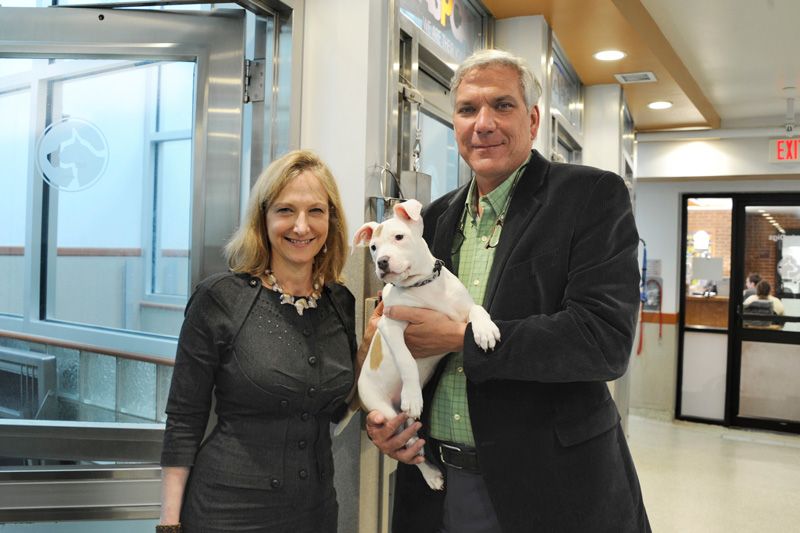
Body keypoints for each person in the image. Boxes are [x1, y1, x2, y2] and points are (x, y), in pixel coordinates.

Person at [365, 49, 651, 532]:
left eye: (502, 105)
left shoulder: (589, 197)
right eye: (467, 109)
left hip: (551, 489)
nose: (483, 123)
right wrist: (388, 421)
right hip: (441, 487)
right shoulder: (432, 220)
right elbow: (401, 334)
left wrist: (458, 339)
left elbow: (603, 340)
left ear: (533, 118)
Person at [159, 150, 357, 533]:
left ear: (331, 220)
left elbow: (333, 410)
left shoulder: (340, 303)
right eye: (286, 210)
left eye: (315, 211)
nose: (301, 226)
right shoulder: (220, 298)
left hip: (316, 513)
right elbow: (184, 420)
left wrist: (369, 354)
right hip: (226, 511)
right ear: (263, 218)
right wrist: (169, 523)